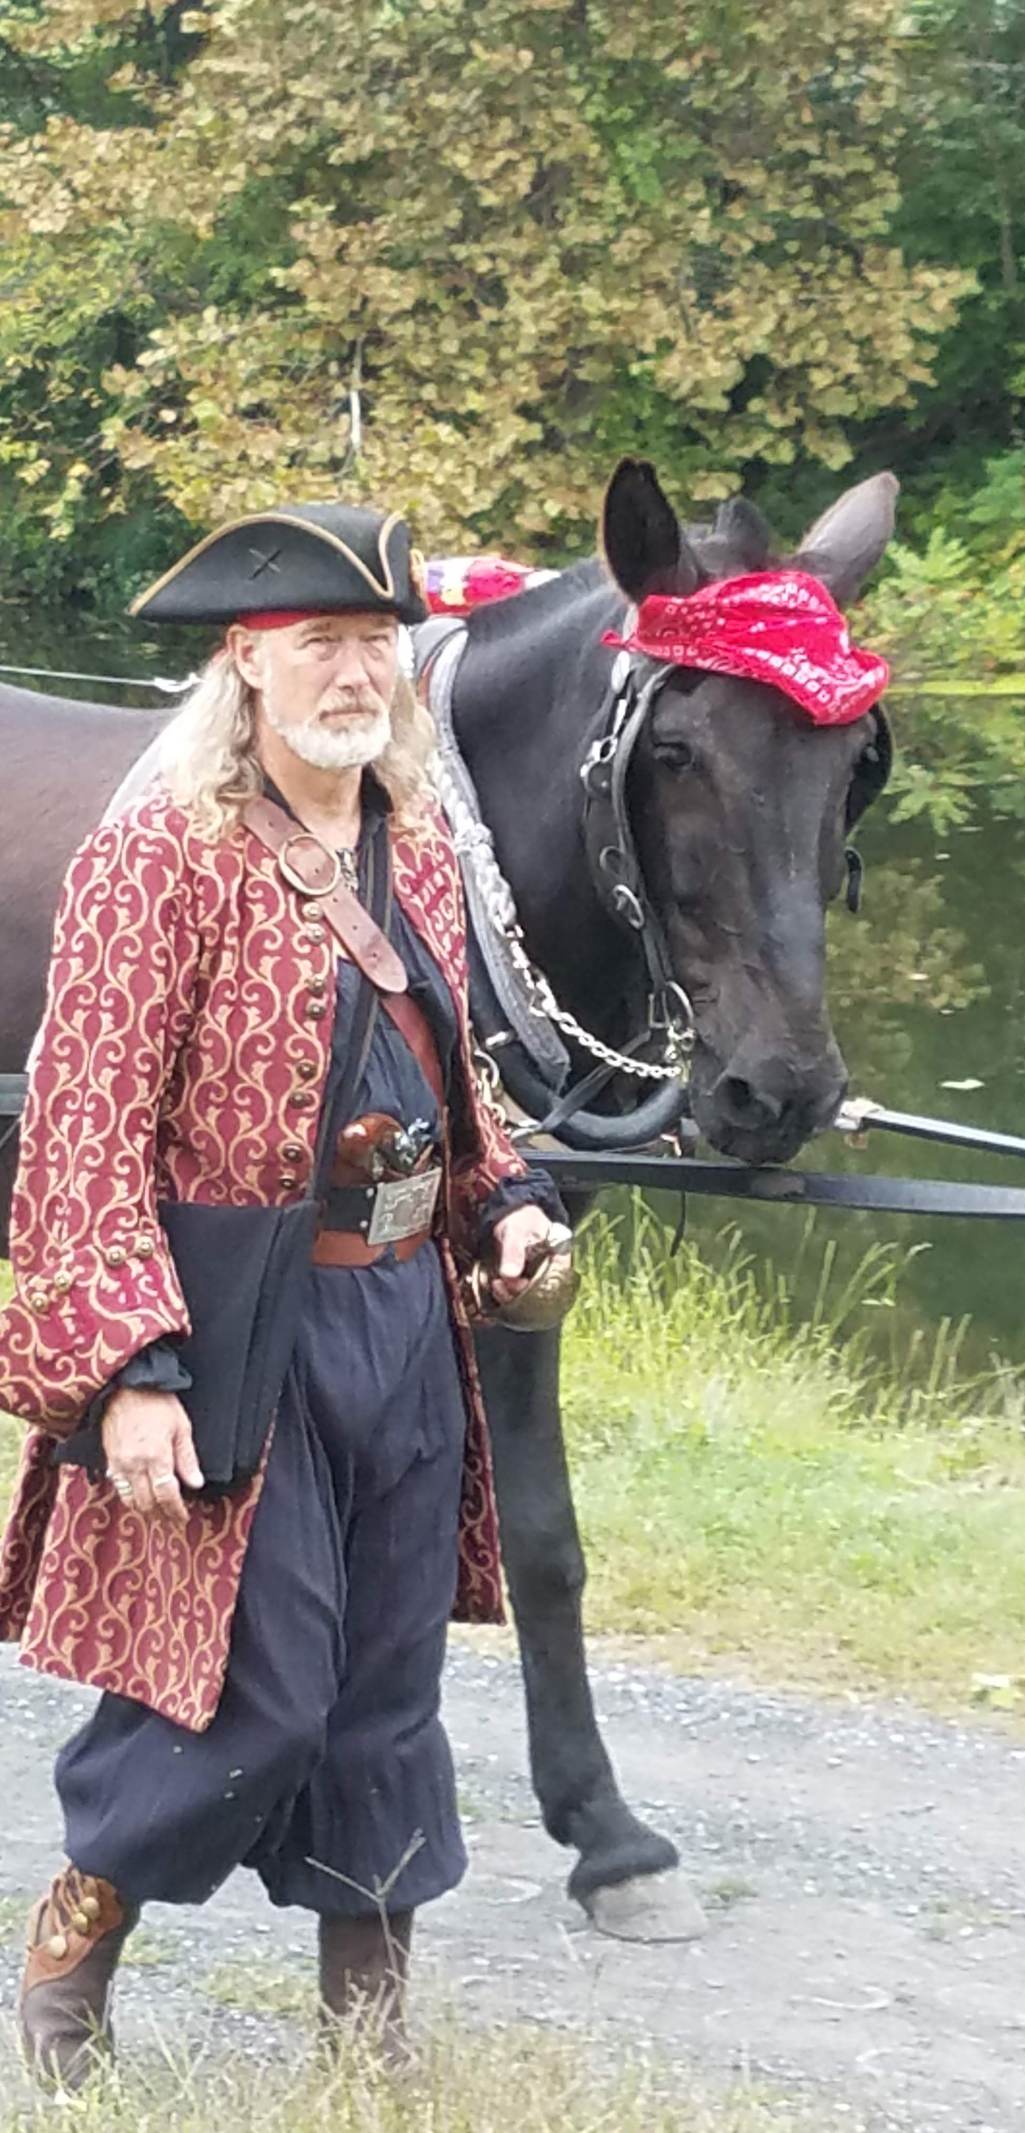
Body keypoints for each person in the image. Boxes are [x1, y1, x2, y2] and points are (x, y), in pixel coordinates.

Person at [0, 502, 563, 2086]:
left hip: (399, 1323)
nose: (354, 670)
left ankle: (367, 2047)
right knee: (248, 1695)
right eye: (319, 640)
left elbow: (451, 1079)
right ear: (246, 663)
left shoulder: (420, 845)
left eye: (376, 641)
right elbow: (83, 1127)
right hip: (234, 1333)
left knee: (383, 1696)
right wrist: (129, 1373)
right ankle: (64, 1969)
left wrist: (501, 1199)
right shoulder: (155, 854)